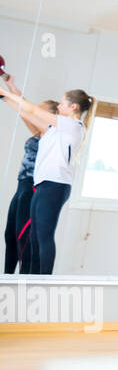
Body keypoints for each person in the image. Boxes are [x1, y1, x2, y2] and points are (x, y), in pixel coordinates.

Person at [0, 83, 94, 275]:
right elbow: (27, 111)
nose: (59, 106)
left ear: (73, 107)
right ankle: (32, 281)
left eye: (62, 103)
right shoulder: (53, 129)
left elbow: (33, 109)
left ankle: (44, 282)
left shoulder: (74, 126)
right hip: (43, 185)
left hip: (56, 185)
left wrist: (3, 92)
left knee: (43, 236)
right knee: (34, 238)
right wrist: (5, 97)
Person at [4, 98, 58, 274]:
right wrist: (9, 85)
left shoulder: (49, 132)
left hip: (31, 188)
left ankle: (24, 281)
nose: (35, 111)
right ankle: (7, 279)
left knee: (23, 238)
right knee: (10, 235)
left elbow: (26, 111)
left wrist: (5, 95)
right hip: (21, 186)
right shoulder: (37, 131)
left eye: (40, 110)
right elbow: (24, 109)